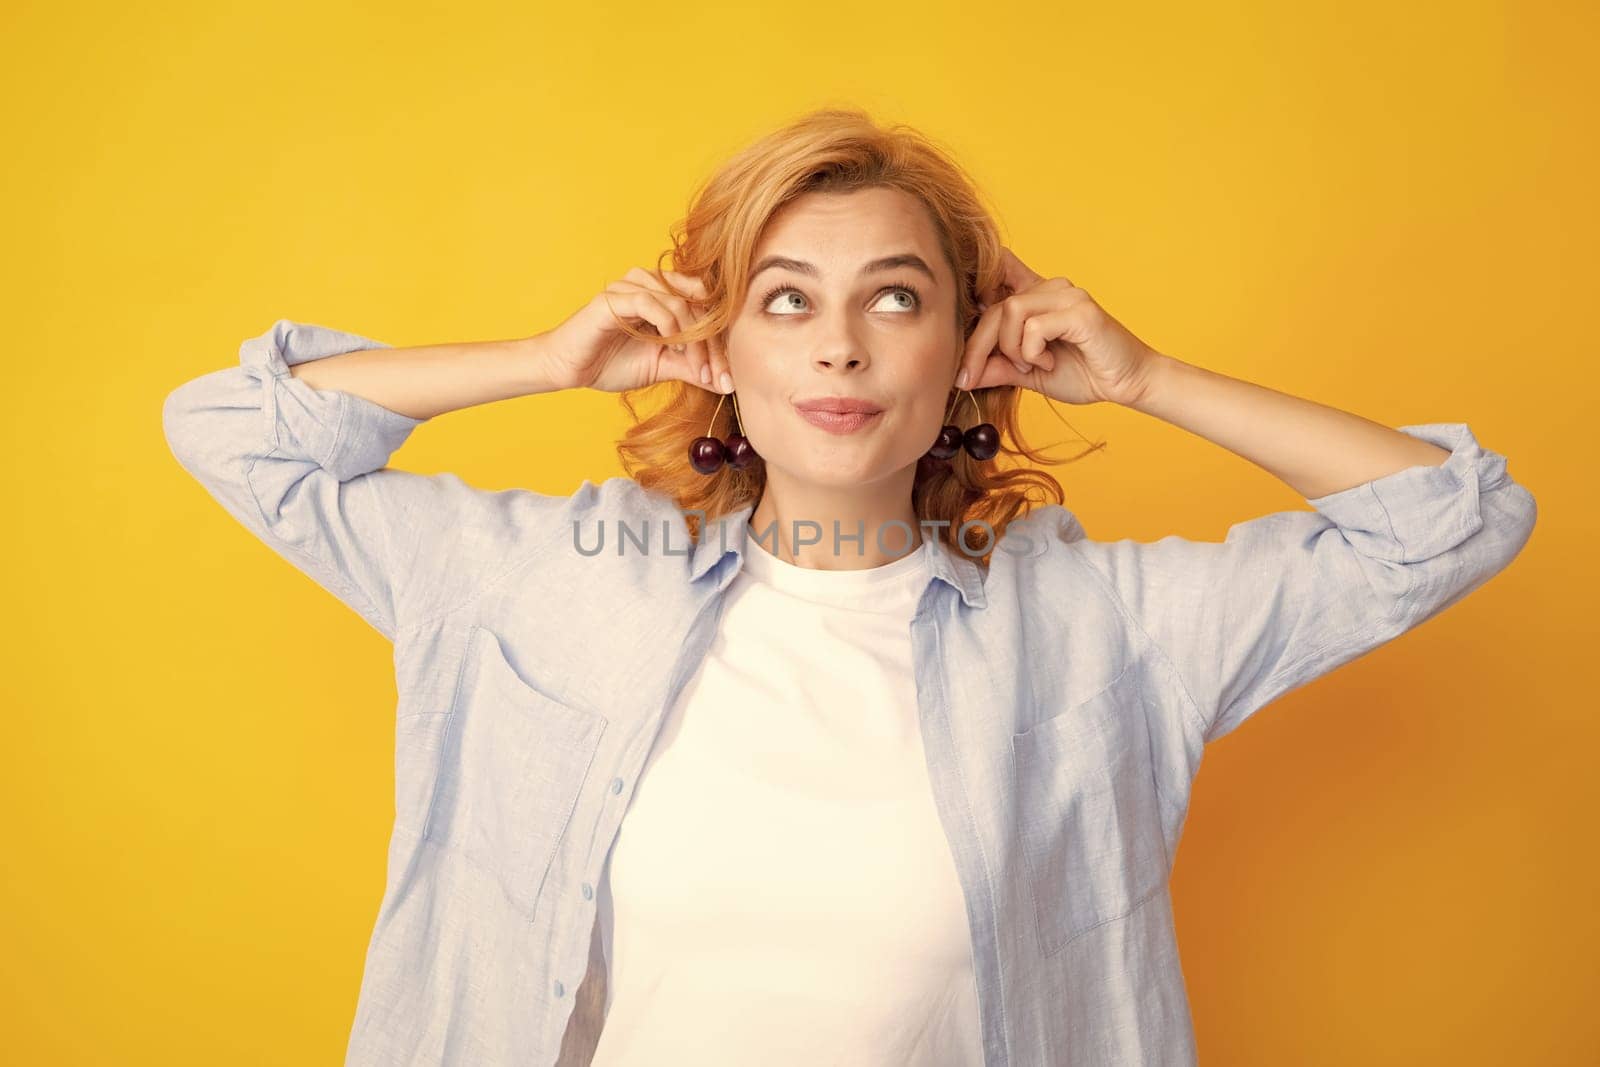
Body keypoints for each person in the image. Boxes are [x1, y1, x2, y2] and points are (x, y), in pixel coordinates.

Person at [161, 108, 1538, 1067]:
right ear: (717, 350)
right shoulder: (535, 585)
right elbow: (231, 427)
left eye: (893, 299)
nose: (839, 350)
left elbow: (1452, 521)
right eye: (784, 299)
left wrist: (1150, 378)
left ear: (964, 350)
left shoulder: (1102, 633)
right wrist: (541, 357)